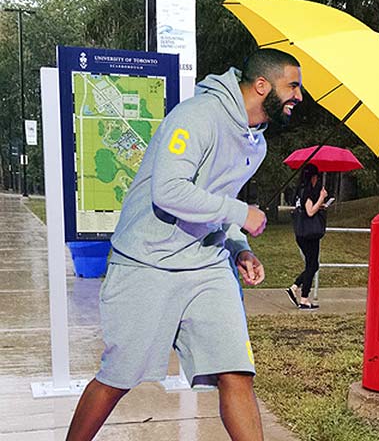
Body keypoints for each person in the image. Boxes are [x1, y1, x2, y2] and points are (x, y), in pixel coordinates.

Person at [66, 48, 303, 441]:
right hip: (147, 261)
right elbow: (169, 192)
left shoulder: (255, 144)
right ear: (263, 85)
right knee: (119, 376)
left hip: (206, 264)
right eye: (292, 86)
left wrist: (238, 246)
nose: (298, 96)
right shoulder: (198, 117)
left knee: (237, 371)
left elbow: (216, 202)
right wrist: (240, 212)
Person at [286, 163, 328, 310]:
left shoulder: (299, 191)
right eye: (317, 177)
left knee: (312, 264)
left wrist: (319, 204)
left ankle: (295, 287)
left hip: (301, 232)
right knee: (312, 265)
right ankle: (303, 297)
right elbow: (310, 211)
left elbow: (305, 209)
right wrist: (322, 198)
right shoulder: (308, 192)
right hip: (310, 233)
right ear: (313, 177)